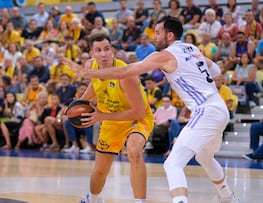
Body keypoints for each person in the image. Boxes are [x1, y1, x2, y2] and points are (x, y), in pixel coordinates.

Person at [64, 16, 239, 203]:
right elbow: (216, 72)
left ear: (169, 36)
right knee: (205, 157)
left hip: (204, 110)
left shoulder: (163, 55)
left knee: (172, 164)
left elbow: (124, 72)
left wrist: (85, 73)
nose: (153, 37)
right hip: (219, 109)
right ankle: (228, 198)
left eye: (157, 33)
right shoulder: (193, 49)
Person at [68, 34, 154, 203]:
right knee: (100, 170)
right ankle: (93, 199)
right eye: (98, 50)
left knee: (134, 151)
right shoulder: (90, 66)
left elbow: (138, 113)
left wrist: (101, 116)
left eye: (107, 49)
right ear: (92, 54)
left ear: (113, 51)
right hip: (111, 120)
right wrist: (80, 102)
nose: (103, 54)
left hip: (138, 118)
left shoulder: (126, 75)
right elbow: (96, 83)